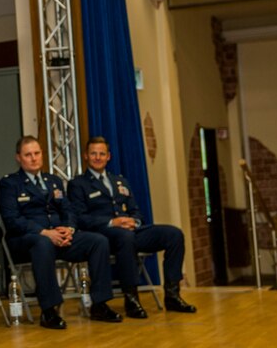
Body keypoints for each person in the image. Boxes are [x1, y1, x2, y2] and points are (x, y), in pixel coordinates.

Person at [0, 136, 122, 329]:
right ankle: (49, 311)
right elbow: (13, 221)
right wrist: (45, 232)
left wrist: (69, 229)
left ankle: (99, 304)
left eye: (37, 153)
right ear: (18, 158)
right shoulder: (9, 184)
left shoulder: (53, 180)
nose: (33, 158)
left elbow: (69, 210)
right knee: (43, 243)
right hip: (26, 240)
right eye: (28, 154)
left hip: (59, 238)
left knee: (98, 241)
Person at [68, 136, 197, 318]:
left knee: (174, 234)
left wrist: (133, 221)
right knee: (124, 237)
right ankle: (131, 298)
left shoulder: (120, 181)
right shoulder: (78, 184)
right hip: (104, 237)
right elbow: (81, 218)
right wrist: (113, 222)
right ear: (86, 156)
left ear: (108, 157)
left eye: (102, 154)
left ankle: (172, 295)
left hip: (130, 231)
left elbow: (136, 211)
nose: (98, 157)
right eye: (93, 154)